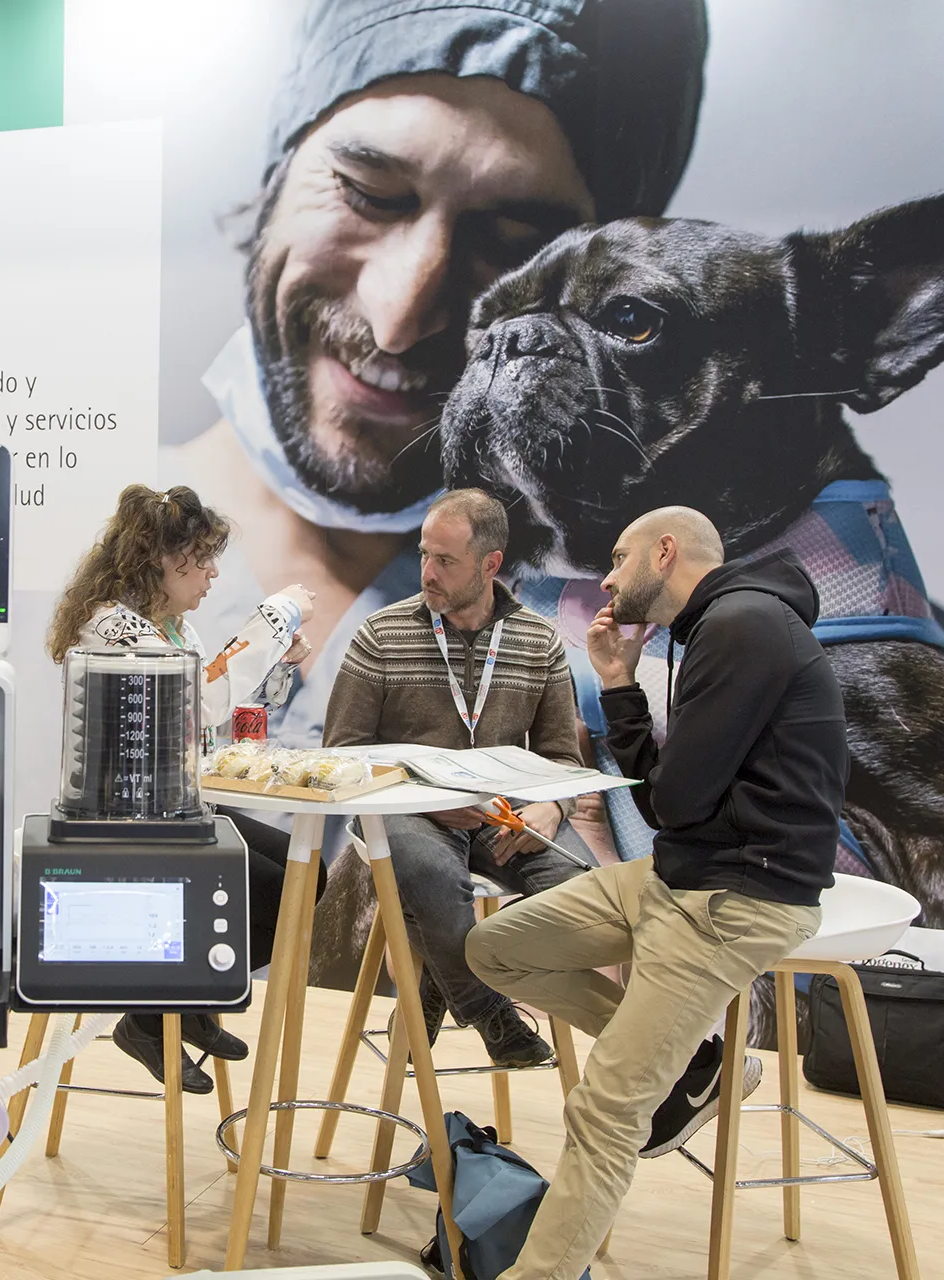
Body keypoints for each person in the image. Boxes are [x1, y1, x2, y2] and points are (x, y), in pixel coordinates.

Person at [168, 0, 707, 752]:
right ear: (278, 172)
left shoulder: (660, 649)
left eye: (514, 246)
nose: (399, 317)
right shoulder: (32, 568)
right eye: (369, 193)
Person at [464, 507, 845, 1280]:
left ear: (665, 553)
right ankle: (694, 1063)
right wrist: (614, 677)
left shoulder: (741, 628)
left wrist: (618, 692)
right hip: (686, 872)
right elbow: (671, 801)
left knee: (605, 1109)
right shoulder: (719, 626)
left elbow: (671, 801)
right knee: (494, 947)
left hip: (736, 896)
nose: (604, 578)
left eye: (618, 557)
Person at [47, 483, 325, 1092]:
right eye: (198, 558)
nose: (212, 572)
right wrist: (277, 616)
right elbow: (200, 699)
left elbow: (213, 709)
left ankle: (188, 1003)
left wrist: (275, 660)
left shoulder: (174, 629)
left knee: (310, 877)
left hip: (179, 804)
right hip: (127, 817)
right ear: (159, 561)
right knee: (282, 887)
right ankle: (157, 1014)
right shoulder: (113, 629)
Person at [324, 489, 590, 1067]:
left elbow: (563, 761)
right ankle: (491, 1013)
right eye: (424, 555)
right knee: (427, 875)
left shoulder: (539, 641)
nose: (427, 572)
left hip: (504, 814)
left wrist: (553, 809)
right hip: (403, 810)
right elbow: (342, 755)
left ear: (490, 564)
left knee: (580, 888)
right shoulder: (381, 635)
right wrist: (430, 800)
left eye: (445, 561)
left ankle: (440, 981)